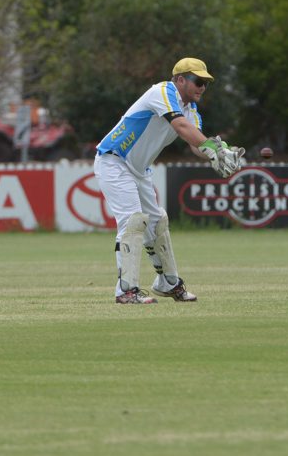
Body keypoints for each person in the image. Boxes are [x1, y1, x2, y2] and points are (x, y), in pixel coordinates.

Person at [94, 57, 244, 304]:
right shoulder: (163, 91)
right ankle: (126, 290)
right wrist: (210, 148)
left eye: (206, 83)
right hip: (114, 160)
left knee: (157, 223)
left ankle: (168, 283)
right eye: (198, 81)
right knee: (133, 222)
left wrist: (220, 150)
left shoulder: (191, 109)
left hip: (139, 169)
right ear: (181, 79)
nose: (202, 87)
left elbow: (194, 143)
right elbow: (181, 126)